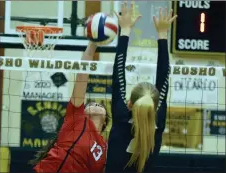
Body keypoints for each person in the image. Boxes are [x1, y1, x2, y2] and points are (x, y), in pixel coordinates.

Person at [105, 2, 177, 173]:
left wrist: (125, 32)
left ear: (130, 103)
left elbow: (119, 74)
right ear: (155, 105)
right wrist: (162, 34)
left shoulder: (122, 116)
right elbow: (163, 76)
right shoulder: (156, 122)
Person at [30, 42, 108, 173]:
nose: (95, 104)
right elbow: (82, 74)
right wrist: (92, 45)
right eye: (90, 104)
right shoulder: (76, 117)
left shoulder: (106, 147)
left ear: (106, 120)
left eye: (100, 105)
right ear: (83, 111)